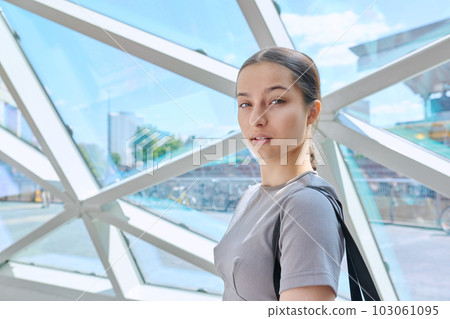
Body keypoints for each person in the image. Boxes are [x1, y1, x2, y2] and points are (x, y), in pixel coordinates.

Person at [213, 47, 345, 301]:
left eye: (276, 101)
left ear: (312, 112)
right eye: (245, 104)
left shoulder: (307, 205)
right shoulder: (251, 196)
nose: (256, 118)